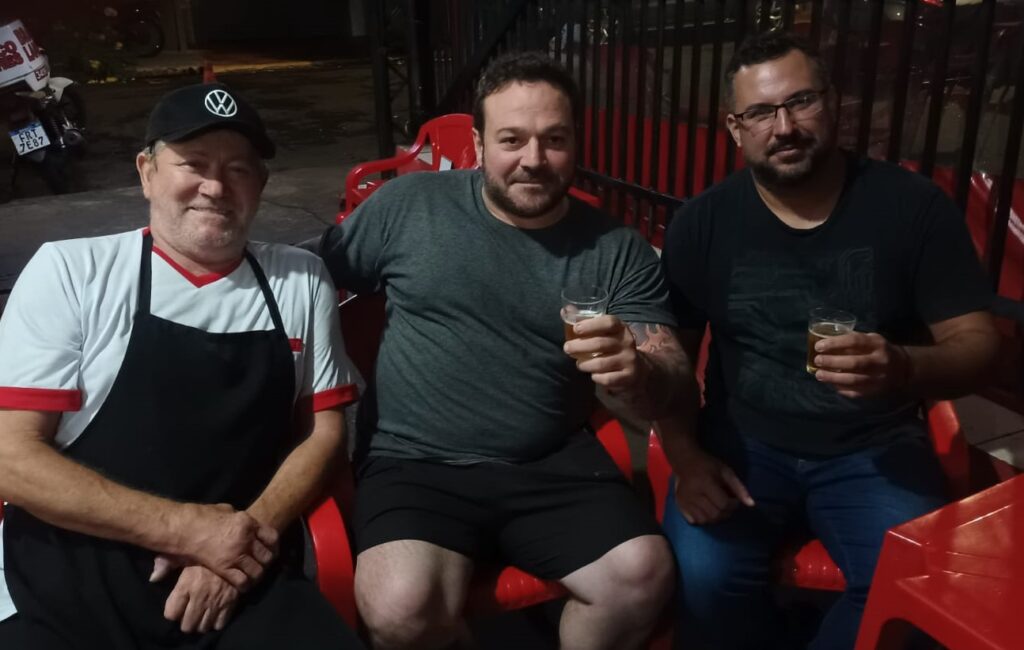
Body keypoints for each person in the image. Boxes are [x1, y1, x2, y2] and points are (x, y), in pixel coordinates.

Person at [314, 51, 685, 650]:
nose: (533, 159)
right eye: (512, 139)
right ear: (479, 145)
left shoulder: (616, 249)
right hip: (415, 462)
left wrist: (637, 371)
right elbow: (307, 279)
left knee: (642, 576)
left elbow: (672, 378)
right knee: (399, 608)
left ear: (575, 143)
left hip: (551, 460)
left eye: (554, 139)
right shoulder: (409, 206)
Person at [658, 31, 999, 650]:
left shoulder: (912, 207)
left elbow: (978, 343)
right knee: (703, 580)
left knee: (913, 592)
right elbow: (671, 361)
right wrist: (684, 455)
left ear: (832, 102)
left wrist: (902, 366)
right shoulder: (702, 223)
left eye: (801, 101)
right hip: (744, 446)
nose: (784, 127)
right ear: (735, 128)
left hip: (874, 448)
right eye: (761, 112)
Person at [0, 82, 364, 650]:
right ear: (147, 172)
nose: (215, 187)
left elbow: (323, 435)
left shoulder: (299, 280)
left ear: (261, 185)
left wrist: (242, 544)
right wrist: (189, 531)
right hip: (69, 584)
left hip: (237, 579)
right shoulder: (72, 272)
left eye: (238, 169)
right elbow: (11, 457)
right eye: (193, 164)